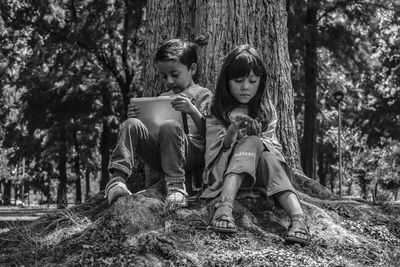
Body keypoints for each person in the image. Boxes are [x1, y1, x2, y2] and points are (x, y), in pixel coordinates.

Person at [201, 44, 311, 245]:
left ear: (261, 82)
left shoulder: (266, 110)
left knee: (265, 152)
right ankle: (225, 205)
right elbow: (214, 150)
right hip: (223, 173)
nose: (246, 87)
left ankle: (298, 219)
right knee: (253, 142)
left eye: (252, 81)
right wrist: (233, 130)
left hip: (261, 176)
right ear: (226, 81)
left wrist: (256, 139)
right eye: (238, 80)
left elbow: (274, 149)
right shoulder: (215, 108)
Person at [105, 39, 213, 208]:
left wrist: (192, 110)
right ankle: (116, 181)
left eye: (175, 74)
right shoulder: (163, 96)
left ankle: (177, 187)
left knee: (170, 126)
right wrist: (139, 118)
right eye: (164, 76)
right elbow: (154, 130)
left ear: (192, 69)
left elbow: (211, 133)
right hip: (162, 153)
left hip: (191, 152)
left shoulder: (202, 94)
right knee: (130, 123)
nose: (169, 81)